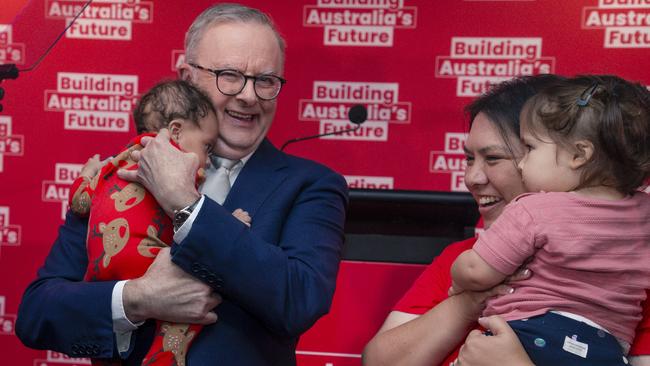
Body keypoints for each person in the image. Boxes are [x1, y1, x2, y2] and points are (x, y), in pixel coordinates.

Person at [16, 3, 348, 365]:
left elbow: (299, 302)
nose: (249, 96)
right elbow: (37, 315)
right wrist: (136, 299)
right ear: (187, 79)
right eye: (229, 75)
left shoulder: (311, 186)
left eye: (265, 80)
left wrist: (187, 204)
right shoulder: (124, 172)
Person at [362, 74, 650, 366]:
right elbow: (379, 362)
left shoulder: (628, 278)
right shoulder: (463, 256)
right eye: (469, 159)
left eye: (494, 158)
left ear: (575, 153)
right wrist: (469, 302)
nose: (472, 178)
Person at [449, 74, 650, 365]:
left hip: (533, 336)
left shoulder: (534, 209)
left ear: (579, 154)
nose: (521, 162)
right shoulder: (644, 213)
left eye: (530, 148)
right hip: (607, 351)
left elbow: (476, 271)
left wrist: (459, 276)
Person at [69, 79, 251, 366]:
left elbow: (80, 203)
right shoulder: (175, 169)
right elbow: (190, 218)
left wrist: (87, 176)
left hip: (99, 276)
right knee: (188, 304)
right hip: (147, 267)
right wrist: (230, 223)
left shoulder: (114, 164)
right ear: (176, 132)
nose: (207, 159)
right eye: (206, 147)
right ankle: (166, 357)